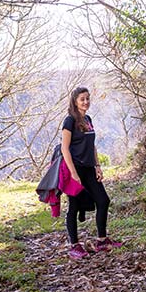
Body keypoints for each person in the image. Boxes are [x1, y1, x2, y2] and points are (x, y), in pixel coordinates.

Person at [61, 87, 118, 259]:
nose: (86, 102)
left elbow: (91, 145)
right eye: (82, 99)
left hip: (89, 168)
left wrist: (97, 165)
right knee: (74, 206)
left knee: (103, 200)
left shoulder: (88, 119)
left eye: (87, 98)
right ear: (75, 101)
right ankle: (74, 246)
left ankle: (102, 240)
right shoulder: (69, 121)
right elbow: (65, 148)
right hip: (74, 169)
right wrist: (73, 173)